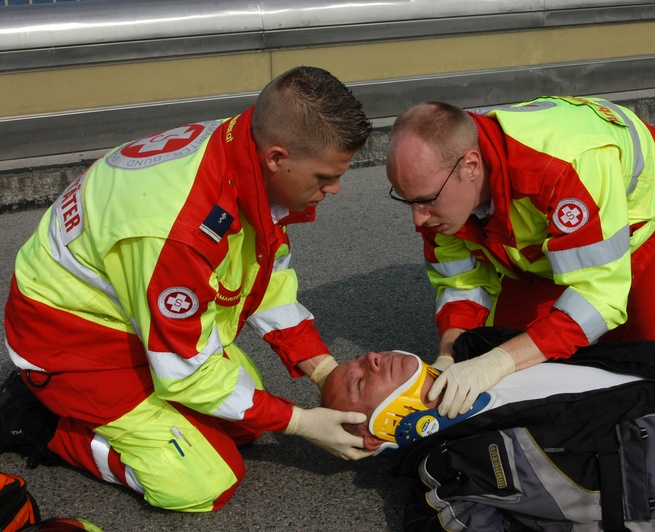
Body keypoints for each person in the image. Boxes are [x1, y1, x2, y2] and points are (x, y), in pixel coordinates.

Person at [0, 66, 374, 512]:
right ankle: (40, 420)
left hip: (129, 311)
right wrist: (298, 422)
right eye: (324, 177)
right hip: (74, 343)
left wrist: (324, 372)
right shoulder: (181, 228)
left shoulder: (242, 146)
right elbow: (187, 372)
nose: (334, 190)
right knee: (202, 482)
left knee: (246, 422)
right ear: (277, 157)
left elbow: (266, 280)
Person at [385, 98, 655, 419]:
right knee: (497, 352)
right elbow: (461, 284)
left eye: (425, 200)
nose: (418, 218)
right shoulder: (439, 184)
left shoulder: (561, 167)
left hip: (644, 220)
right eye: (407, 200)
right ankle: (611, 291)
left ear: (470, 166)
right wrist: (450, 356)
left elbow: (596, 299)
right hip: (547, 244)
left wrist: (496, 362)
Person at [321, 329, 655, 531]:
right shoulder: (453, 482)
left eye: (364, 357)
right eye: (360, 379)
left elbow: (577, 321)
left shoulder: (482, 351)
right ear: (374, 433)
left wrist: (459, 352)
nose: (372, 357)